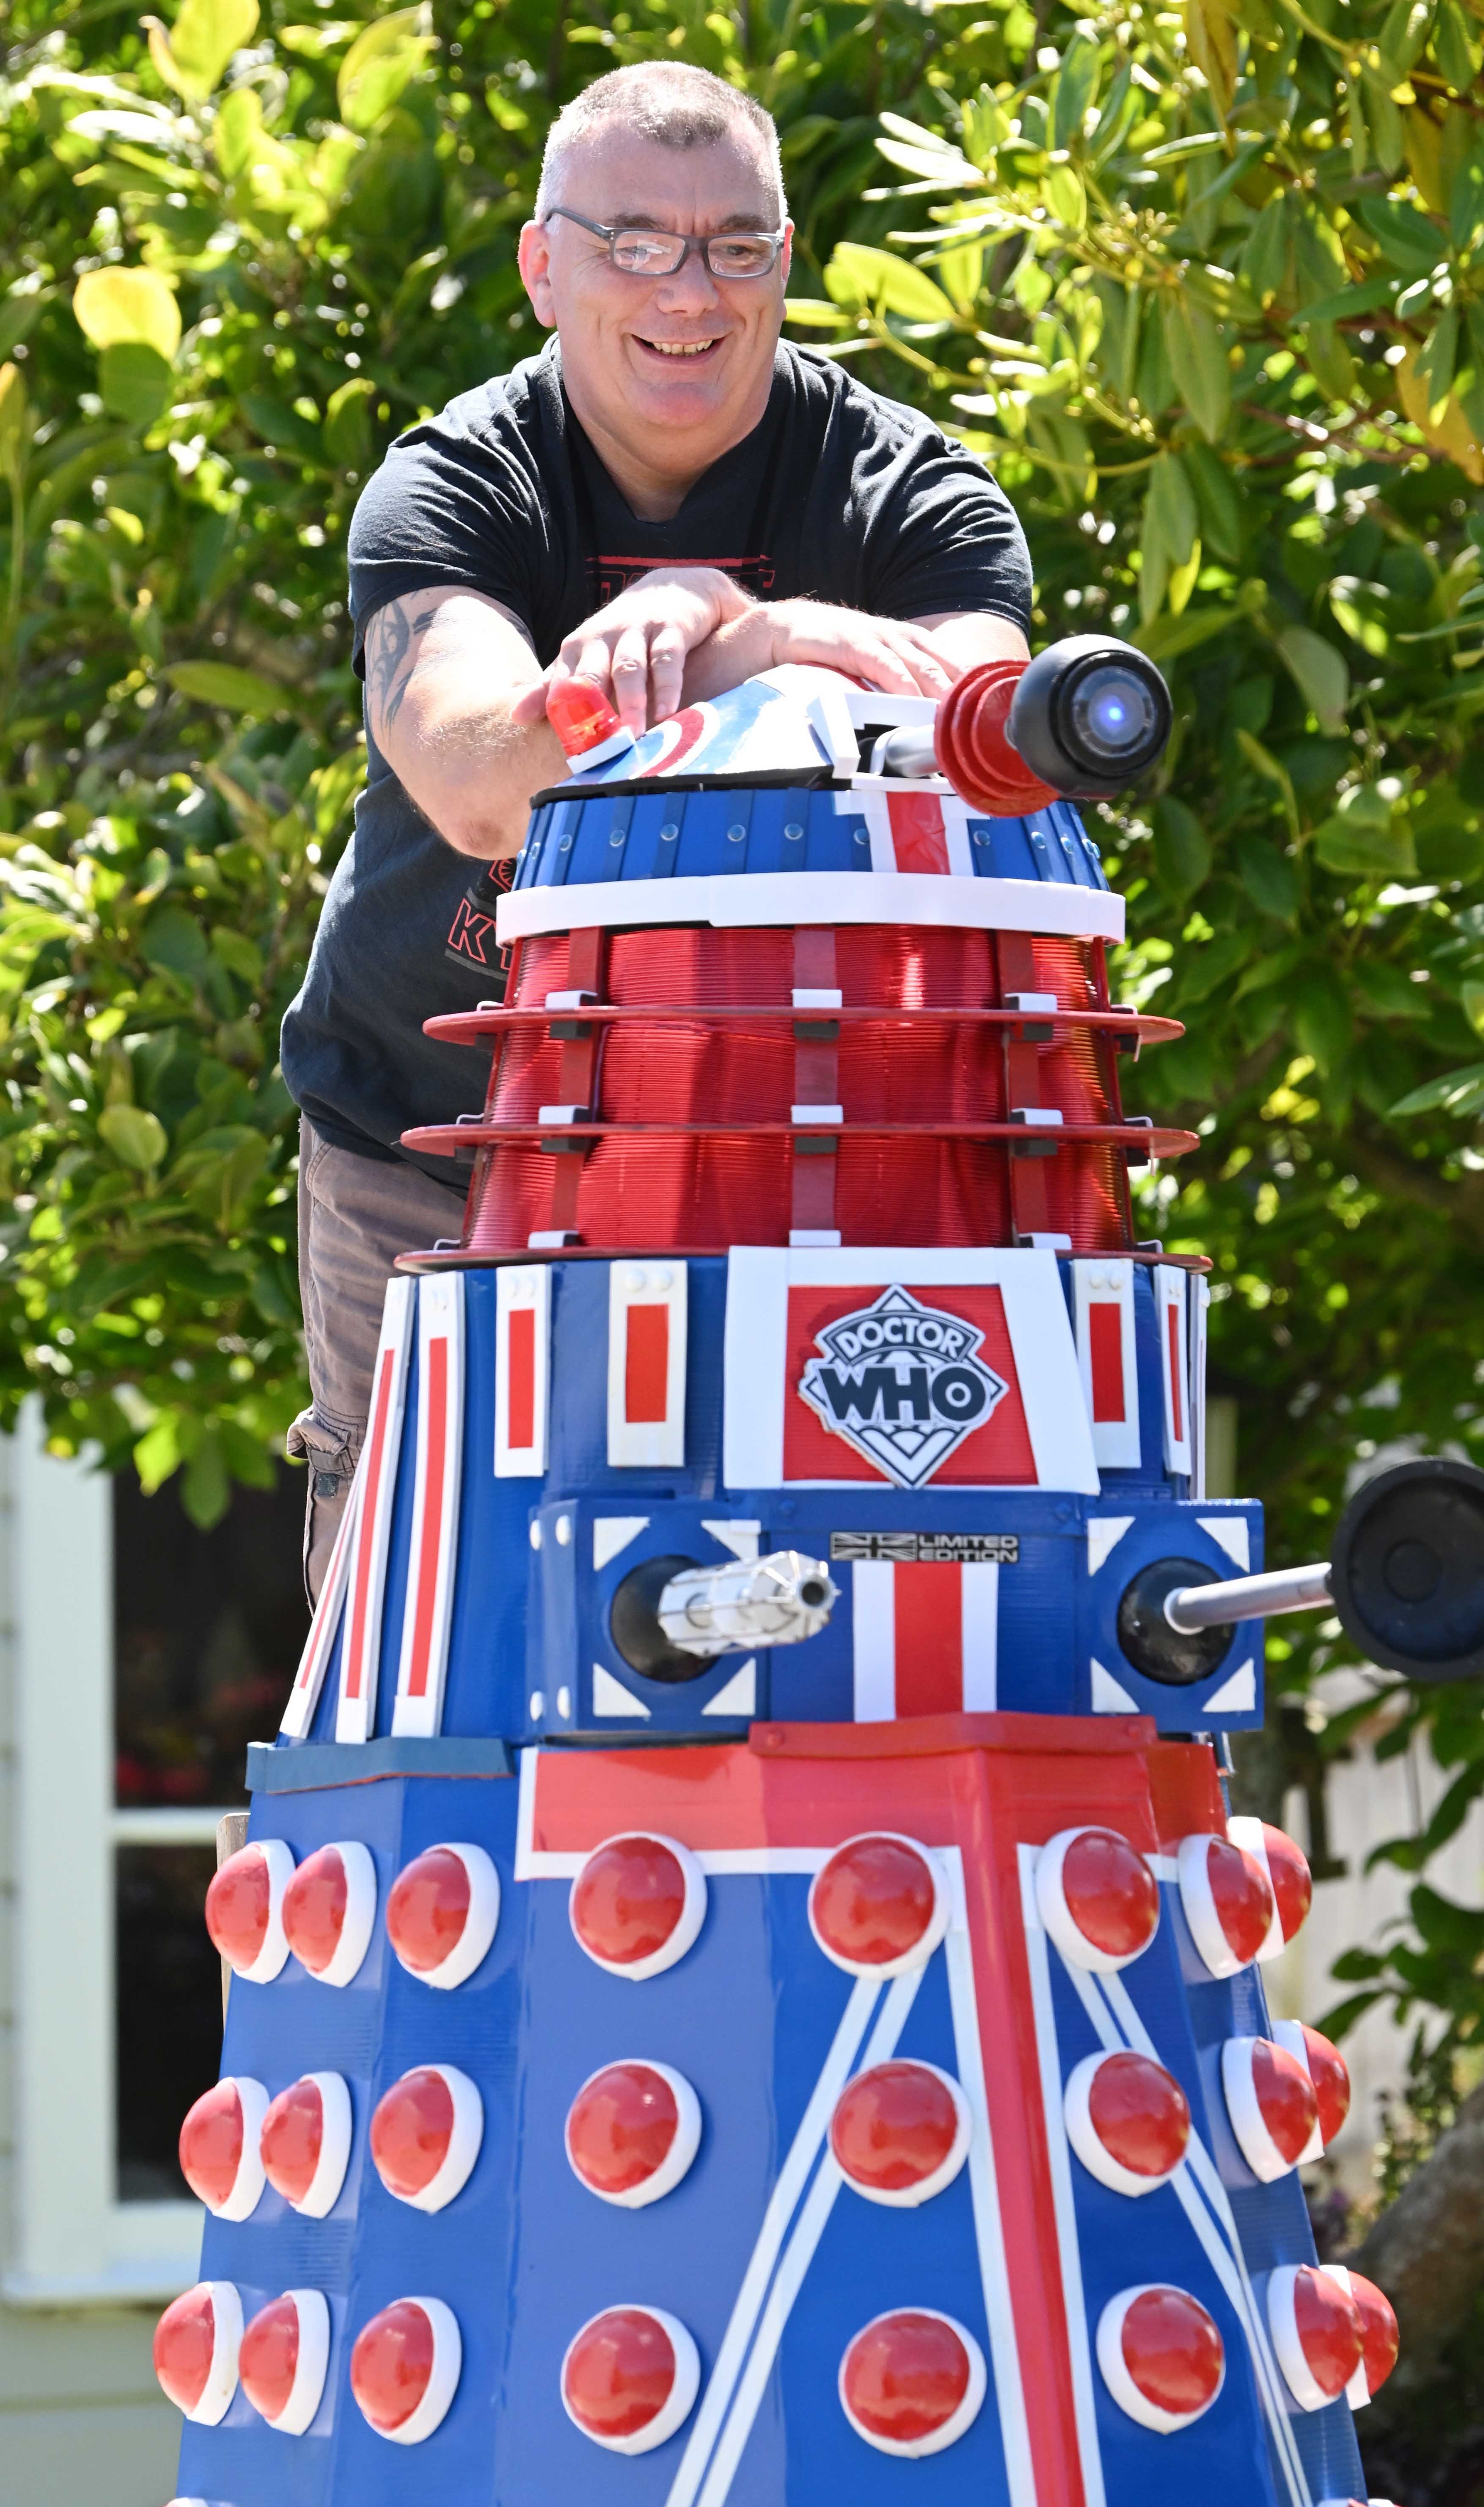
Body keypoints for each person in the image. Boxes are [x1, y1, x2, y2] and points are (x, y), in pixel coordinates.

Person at [282, 59, 1034, 1602]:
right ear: (543, 268)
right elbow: (479, 777)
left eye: (734, 245)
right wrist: (746, 651)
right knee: (407, 1616)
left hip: (810, 1145)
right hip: (430, 1129)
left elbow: (994, 739)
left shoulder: (912, 488)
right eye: (634, 241)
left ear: (784, 258)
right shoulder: (452, 483)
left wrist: (719, 617)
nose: (688, 290)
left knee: (851, 1589)